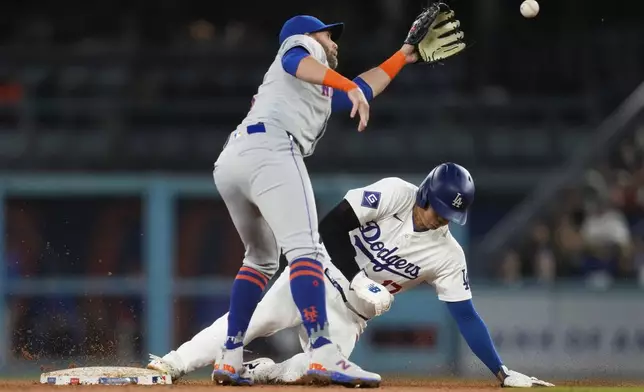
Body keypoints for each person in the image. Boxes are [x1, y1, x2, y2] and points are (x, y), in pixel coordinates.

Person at [164, 3, 465, 386]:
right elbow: (295, 60)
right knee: (306, 251)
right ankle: (324, 354)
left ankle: (230, 356)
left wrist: (403, 57)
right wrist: (345, 82)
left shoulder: (316, 87)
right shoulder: (302, 45)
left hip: (233, 160)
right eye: (328, 33)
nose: (332, 41)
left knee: (259, 260)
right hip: (273, 150)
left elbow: (363, 87)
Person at [148, 163, 555, 388]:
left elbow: (466, 315)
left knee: (315, 374)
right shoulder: (396, 192)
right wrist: (358, 277)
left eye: (451, 216)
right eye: (439, 210)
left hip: (351, 316)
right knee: (250, 322)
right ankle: (173, 363)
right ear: (427, 194)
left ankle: (267, 370)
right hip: (315, 277)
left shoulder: (448, 254)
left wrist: (501, 372)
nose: (441, 221)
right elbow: (328, 227)